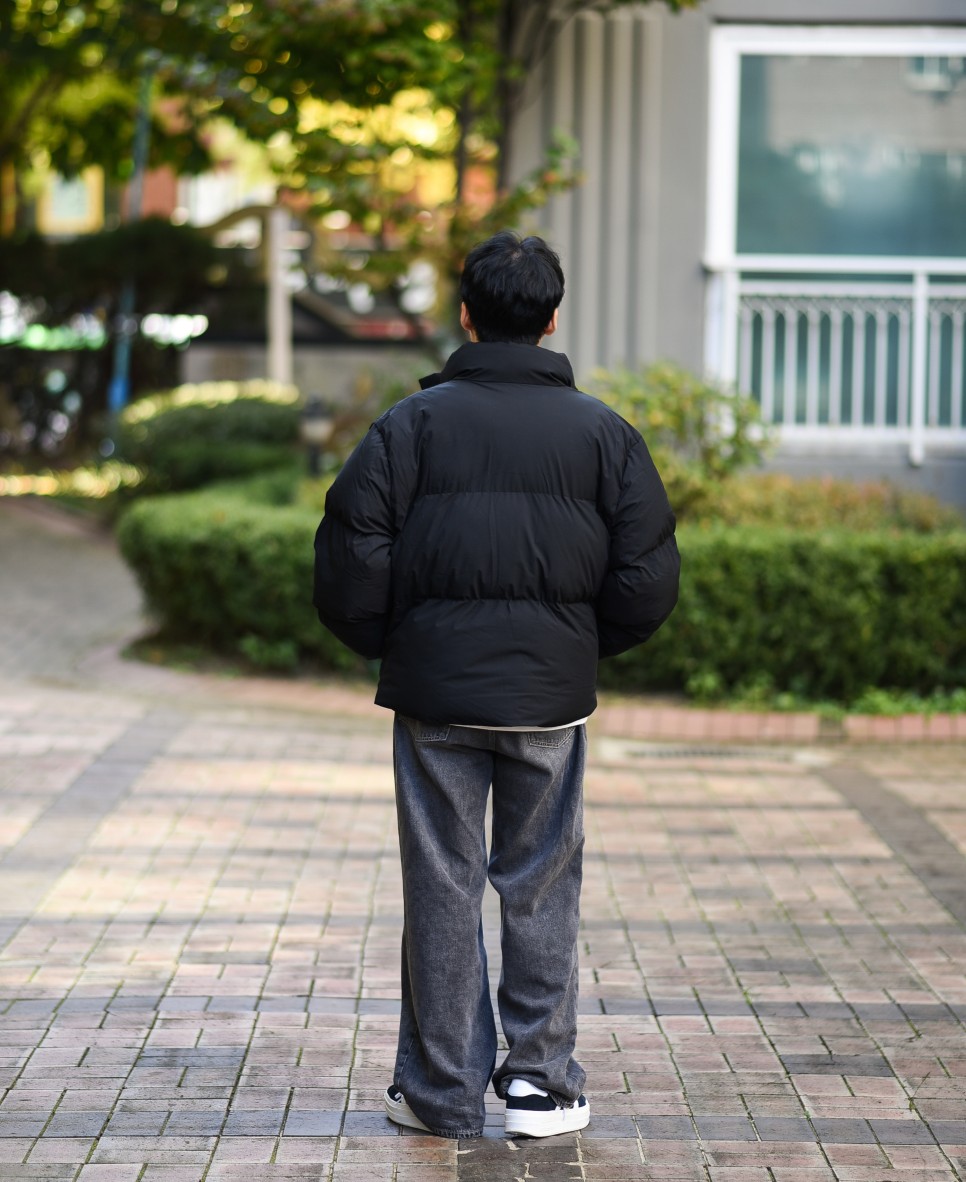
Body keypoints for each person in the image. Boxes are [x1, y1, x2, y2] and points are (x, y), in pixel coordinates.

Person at [314, 230, 680, 1140]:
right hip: (549, 702)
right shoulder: (605, 434)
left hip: (436, 698)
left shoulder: (408, 426)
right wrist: (578, 652)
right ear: (553, 319)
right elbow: (646, 579)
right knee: (543, 880)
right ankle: (541, 1087)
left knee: (441, 885)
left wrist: (401, 648)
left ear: (466, 316)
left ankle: (439, 1094)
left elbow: (349, 564)